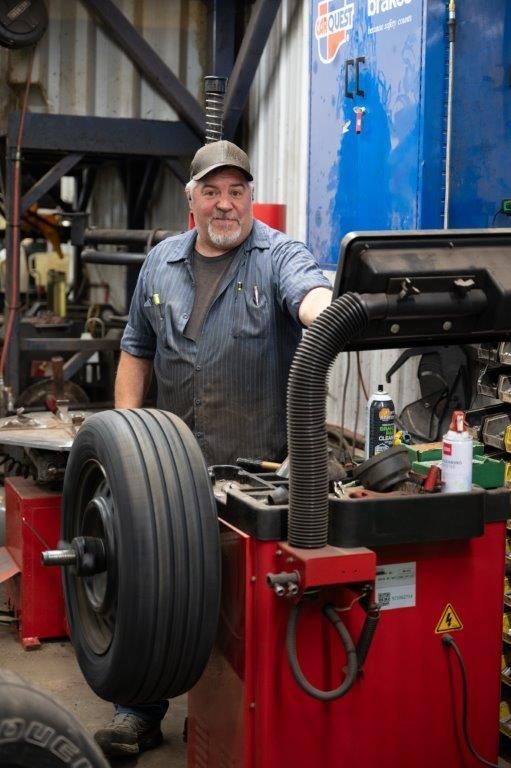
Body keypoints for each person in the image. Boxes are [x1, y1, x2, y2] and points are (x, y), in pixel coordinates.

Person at [94, 139, 333, 758]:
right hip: (170, 475)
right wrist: (128, 442)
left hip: (255, 479)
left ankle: (256, 730)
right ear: (191, 199)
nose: (226, 205)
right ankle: (138, 712)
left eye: (238, 191)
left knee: (241, 612)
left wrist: (323, 310)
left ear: (250, 194)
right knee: (149, 591)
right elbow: (136, 350)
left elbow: (309, 295)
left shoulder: (279, 255)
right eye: (212, 191)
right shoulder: (161, 263)